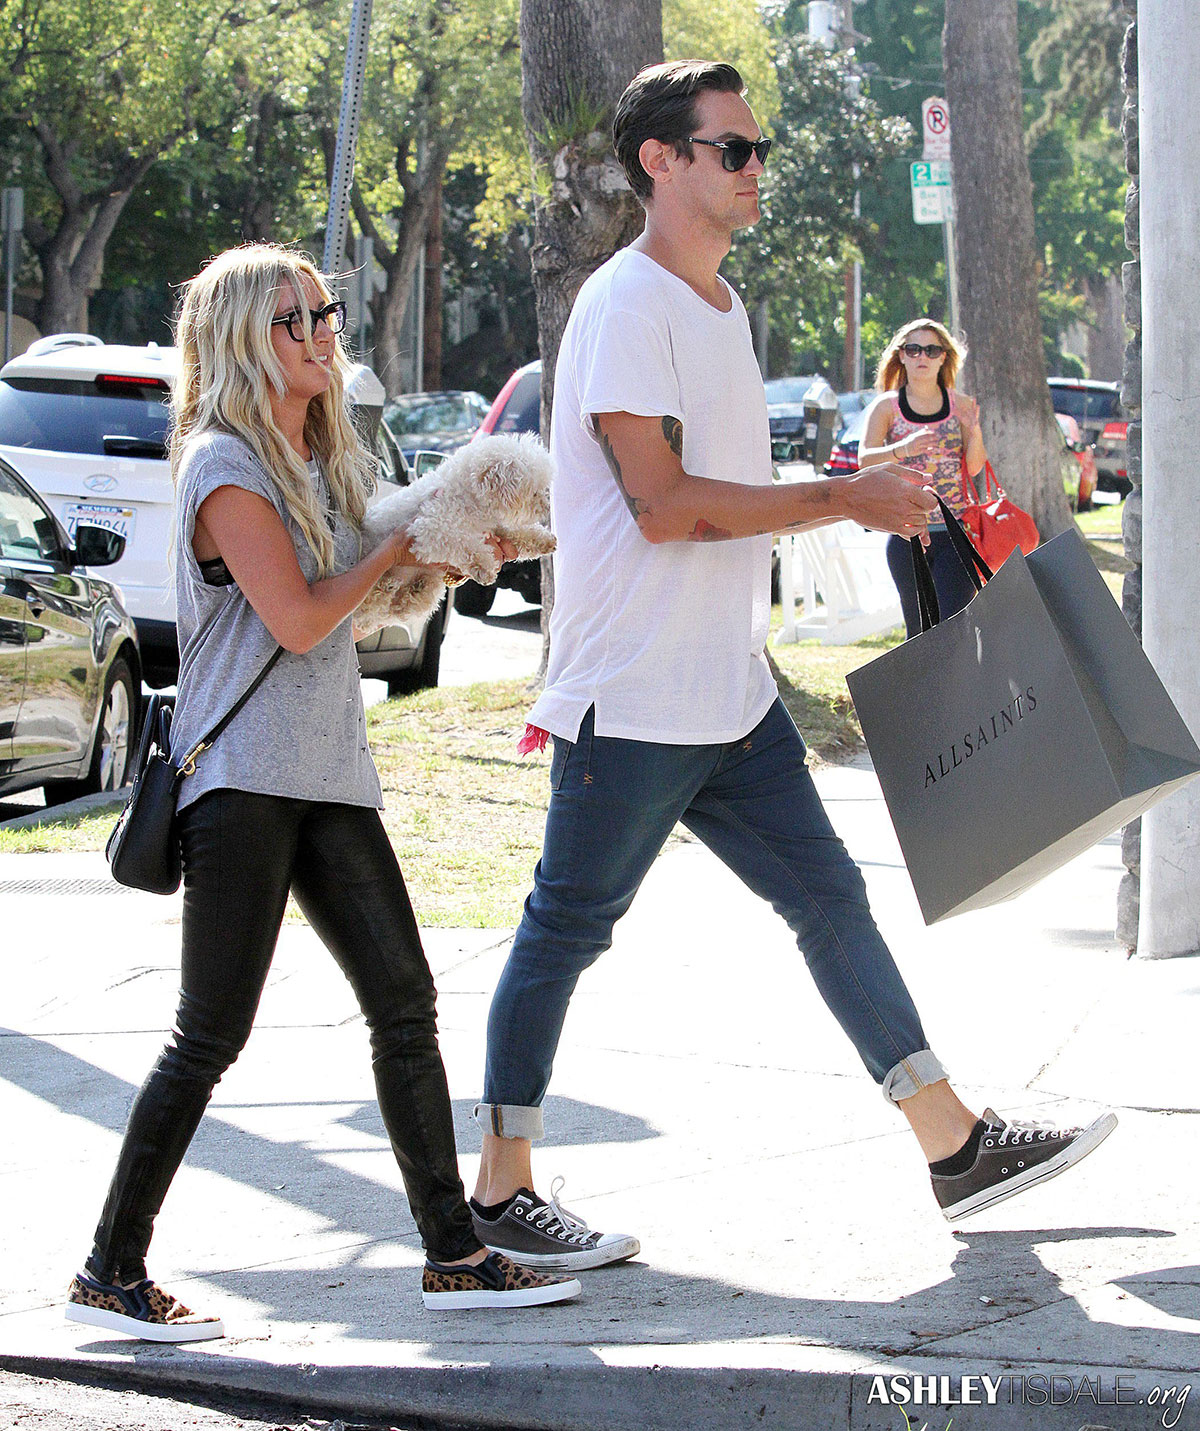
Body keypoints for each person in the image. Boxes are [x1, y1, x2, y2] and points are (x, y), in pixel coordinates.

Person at [465, 61, 1116, 1273]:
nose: (756, 168)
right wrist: (843, 498)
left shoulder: (720, 306)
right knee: (565, 928)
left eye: (758, 151)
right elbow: (659, 506)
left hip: (731, 688)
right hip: (639, 694)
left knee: (829, 902)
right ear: (662, 161)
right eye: (734, 150)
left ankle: (953, 1144)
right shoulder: (625, 306)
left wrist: (871, 494)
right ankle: (498, 1194)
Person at [65, 243, 580, 1342]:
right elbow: (299, 619)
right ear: (246, 339)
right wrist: (401, 536)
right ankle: (112, 1268)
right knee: (209, 1036)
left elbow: (361, 606)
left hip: (328, 773)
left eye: (324, 312)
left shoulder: (317, 454)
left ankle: (453, 1252)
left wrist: (435, 554)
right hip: (245, 778)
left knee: (405, 1003)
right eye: (294, 320)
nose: (320, 333)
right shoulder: (224, 465)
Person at [859, 321, 987, 639]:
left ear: (944, 357)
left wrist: (973, 429)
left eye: (932, 350)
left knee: (954, 630)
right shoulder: (887, 407)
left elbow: (973, 468)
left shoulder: (961, 405)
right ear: (901, 356)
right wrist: (903, 448)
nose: (922, 357)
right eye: (913, 349)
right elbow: (865, 461)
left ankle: (957, 690)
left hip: (956, 534)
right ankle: (922, 690)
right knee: (919, 634)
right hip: (908, 534)